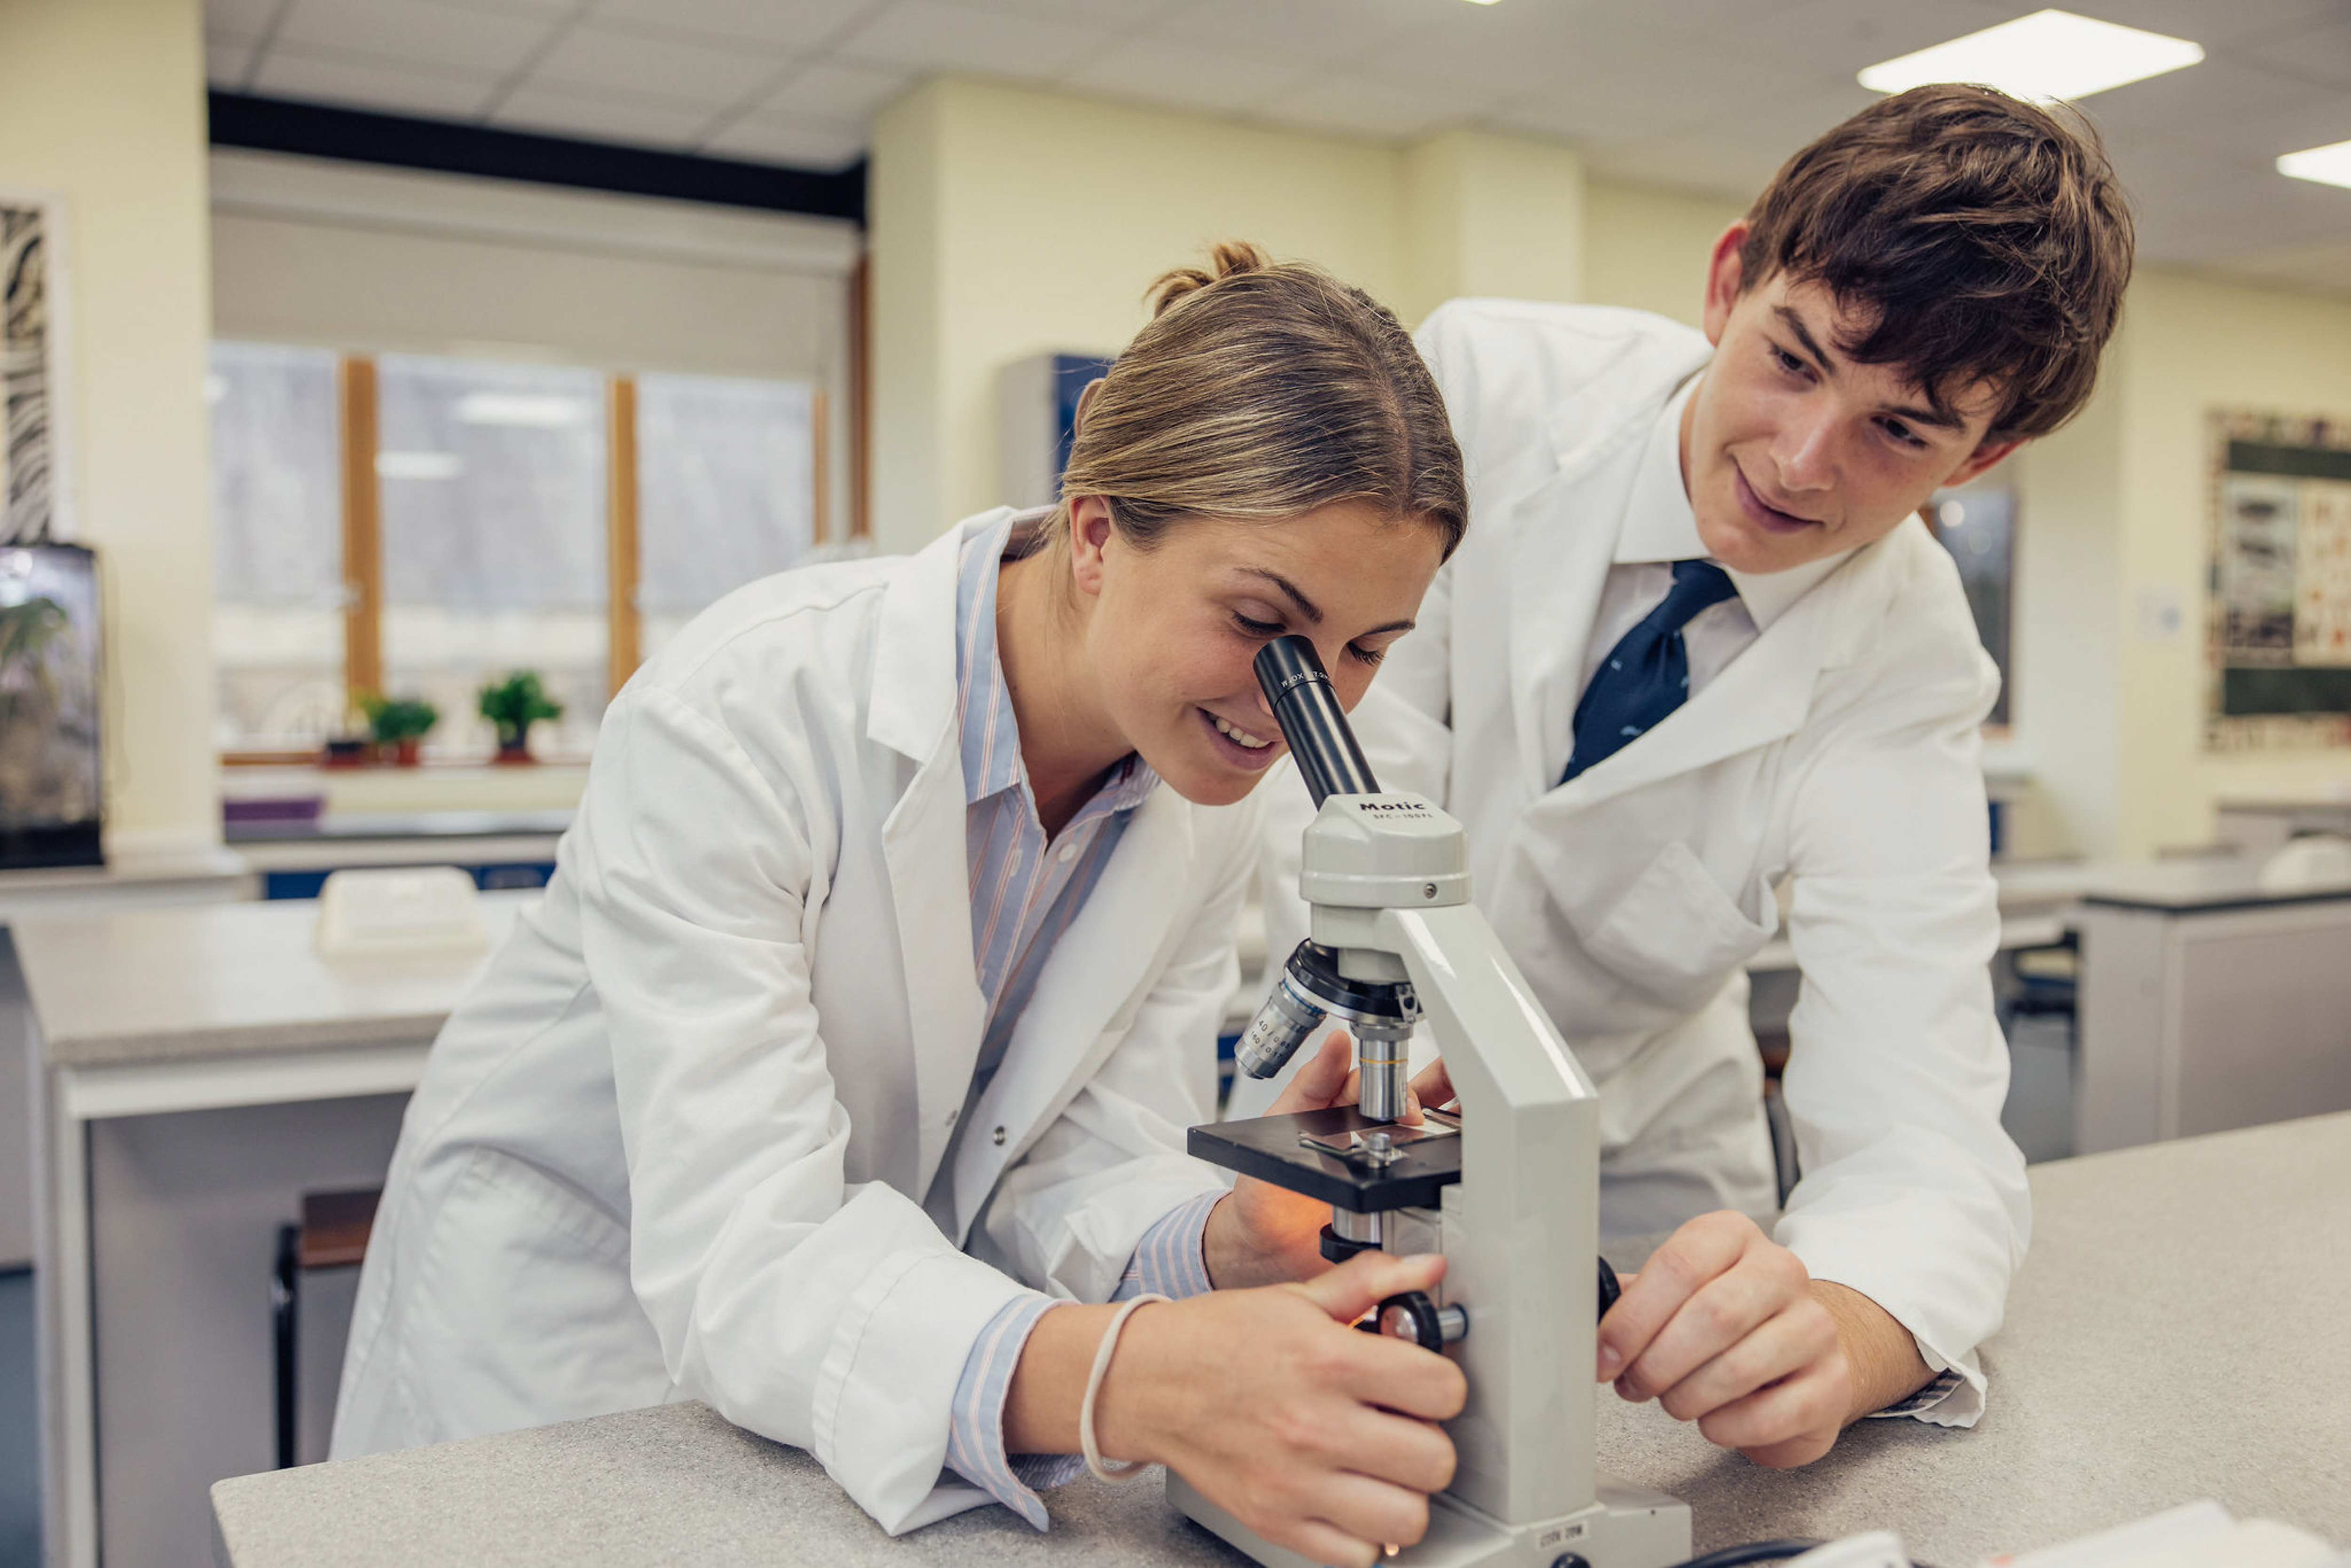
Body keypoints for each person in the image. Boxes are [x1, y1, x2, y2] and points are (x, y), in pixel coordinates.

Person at [332, 243, 1473, 1568]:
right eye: (1267, 625)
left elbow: (1072, 1162)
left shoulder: (1198, 786)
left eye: (1367, 650)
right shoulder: (739, 715)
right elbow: (748, 1249)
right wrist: (1131, 1376)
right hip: (572, 1323)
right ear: (1096, 533)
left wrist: (1228, 1242)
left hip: (863, 1359)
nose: (1305, 709)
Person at [1243, 84, 2134, 1466]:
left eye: (1901, 432)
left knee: (1640, 1452)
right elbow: (1351, 788)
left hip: (1637, 1135)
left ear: (1989, 453)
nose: (1801, 462)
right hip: (1330, 1085)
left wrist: (1843, 1333)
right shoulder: (1480, 394)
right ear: (1729, 285)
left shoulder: (1907, 666)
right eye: (1794, 359)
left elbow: (1925, 1126)